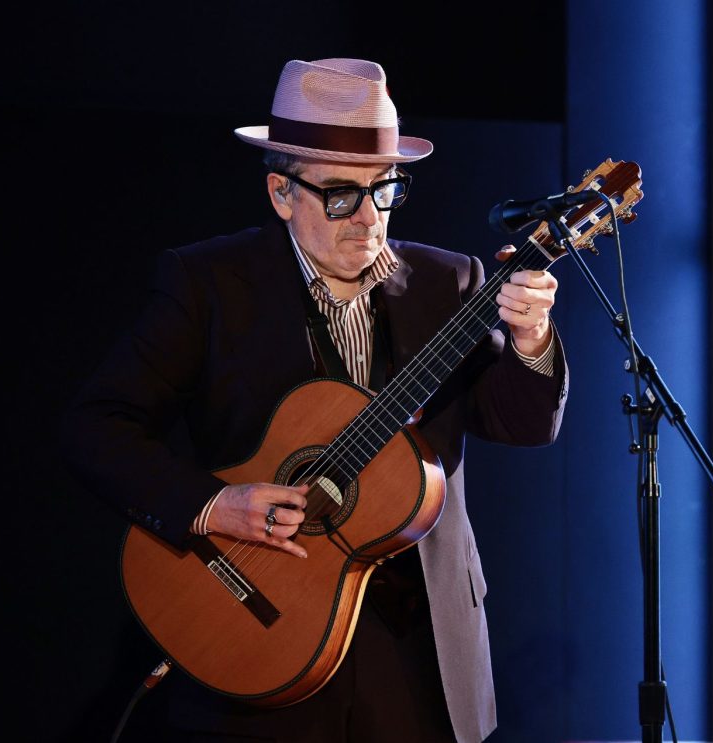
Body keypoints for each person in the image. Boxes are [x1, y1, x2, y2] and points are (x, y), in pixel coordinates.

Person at [61, 57, 567, 743]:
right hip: (262, 625)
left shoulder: (449, 282)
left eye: (384, 189)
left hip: (419, 647)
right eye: (339, 195)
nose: (368, 218)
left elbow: (523, 424)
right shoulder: (209, 285)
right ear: (281, 192)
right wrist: (214, 504)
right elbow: (96, 427)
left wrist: (532, 337)